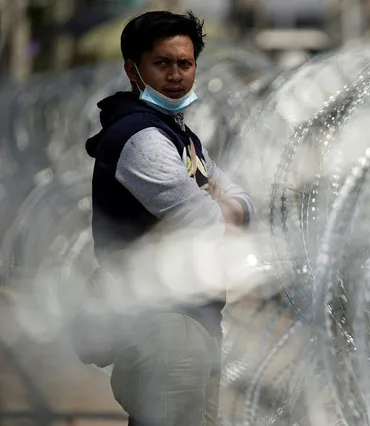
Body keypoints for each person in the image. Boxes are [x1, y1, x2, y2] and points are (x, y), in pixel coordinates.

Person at [79, 10, 254, 426]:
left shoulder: (177, 134)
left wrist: (227, 207)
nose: (176, 75)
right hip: (164, 324)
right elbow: (206, 222)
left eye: (185, 63)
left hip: (195, 319)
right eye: (162, 63)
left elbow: (244, 203)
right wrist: (219, 205)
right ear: (133, 69)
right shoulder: (140, 138)